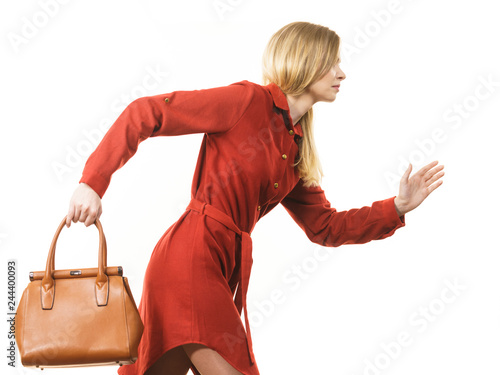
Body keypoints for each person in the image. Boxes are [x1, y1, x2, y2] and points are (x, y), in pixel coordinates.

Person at [65, 21, 444, 375]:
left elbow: (326, 227)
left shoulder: (296, 150)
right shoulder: (245, 101)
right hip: (190, 258)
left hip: (221, 265)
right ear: (305, 62)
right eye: (333, 63)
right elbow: (146, 112)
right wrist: (92, 182)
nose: (341, 74)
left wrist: (396, 208)